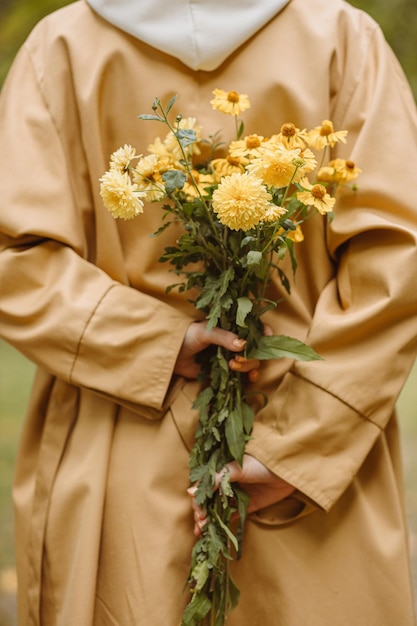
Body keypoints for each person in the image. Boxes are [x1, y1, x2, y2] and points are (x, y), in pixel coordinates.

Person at [0, 0, 417, 624]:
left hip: (115, 457)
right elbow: (399, 259)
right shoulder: (341, 37)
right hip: (308, 450)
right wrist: (298, 448)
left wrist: (150, 343)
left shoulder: (61, 49)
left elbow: (16, 256)